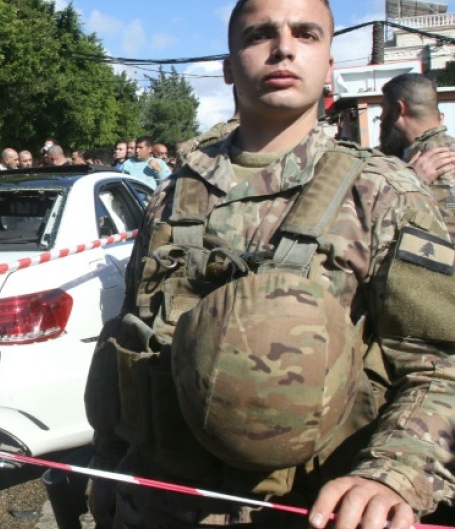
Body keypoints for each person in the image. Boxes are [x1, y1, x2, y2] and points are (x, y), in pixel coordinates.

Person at [86, 3, 455, 529]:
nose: (283, 48)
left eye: (306, 34)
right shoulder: (171, 193)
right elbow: (129, 342)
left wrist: (391, 474)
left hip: (309, 510)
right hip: (156, 504)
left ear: (329, 66)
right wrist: (108, 464)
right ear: (228, 66)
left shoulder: (382, 194)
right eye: (260, 34)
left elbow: (439, 366)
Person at [380, 73, 455, 238]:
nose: (380, 117)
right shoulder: (411, 156)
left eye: (383, 108)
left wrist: (410, 184)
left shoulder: (435, 160)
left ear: (399, 109)